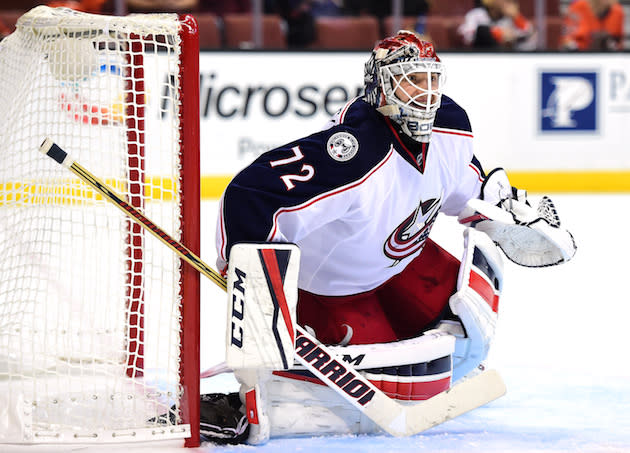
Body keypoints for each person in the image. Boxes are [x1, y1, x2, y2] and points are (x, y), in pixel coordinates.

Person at [203, 30, 575, 444]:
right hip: (330, 291)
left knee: (465, 334)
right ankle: (250, 401)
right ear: (380, 85)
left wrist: (505, 210)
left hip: (404, 264)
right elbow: (250, 196)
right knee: (388, 387)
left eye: (432, 79)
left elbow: (467, 189)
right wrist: (257, 286)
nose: (426, 93)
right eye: (411, 79)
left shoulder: (451, 126)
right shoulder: (352, 150)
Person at [457, 0, 537, 50]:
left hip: (508, 58)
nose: (508, 2)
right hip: (484, 56)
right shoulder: (477, 15)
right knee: (482, 31)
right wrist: (497, 33)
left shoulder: (512, 18)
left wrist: (517, 17)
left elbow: (530, 38)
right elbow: (465, 35)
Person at [560, 0, 625, 51]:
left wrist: (609, 44)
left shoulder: (617, 11)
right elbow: (566, 39)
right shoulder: (578, 7)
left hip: (606, 56)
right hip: (580, 54)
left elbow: (618, 42)